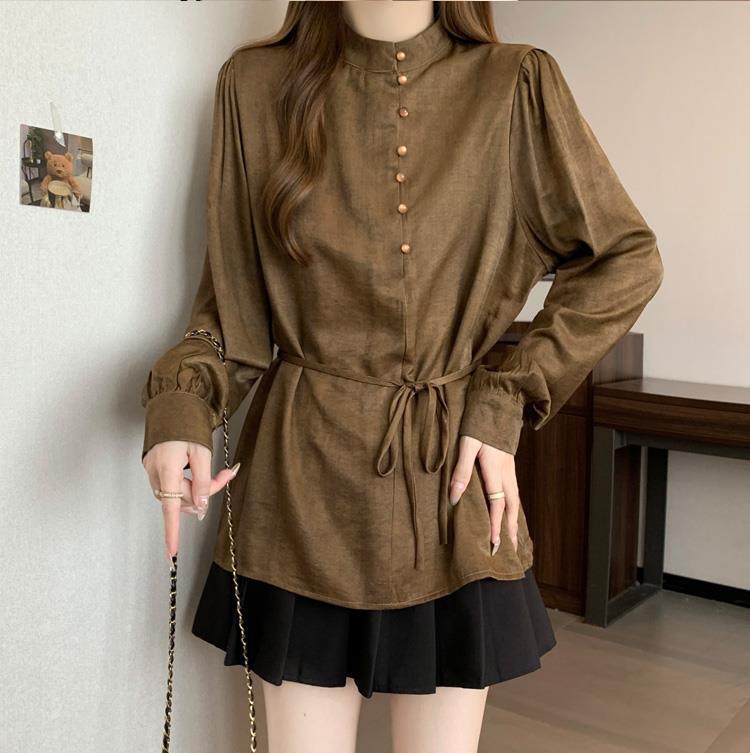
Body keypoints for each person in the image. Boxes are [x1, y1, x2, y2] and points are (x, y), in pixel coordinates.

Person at [140, 2, 664, 751]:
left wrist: (506, 397)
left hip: (451, 482)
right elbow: (231, 317)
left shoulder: (514, 84)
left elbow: (624, 258)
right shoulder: (253, 86)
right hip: (302, 492)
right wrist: (181, 409)